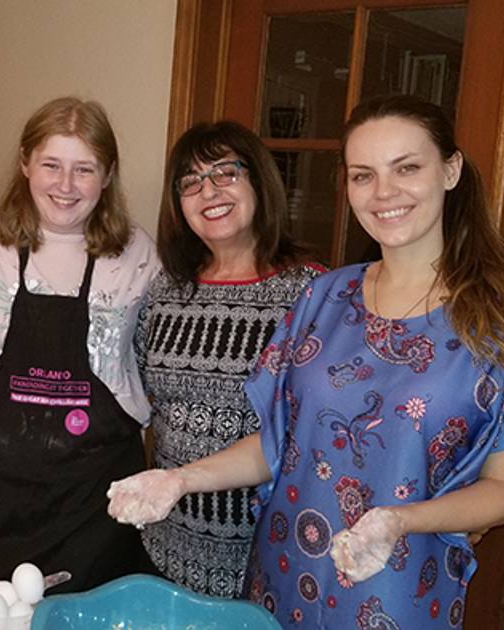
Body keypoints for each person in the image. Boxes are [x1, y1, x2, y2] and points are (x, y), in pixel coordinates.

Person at [107, 95, 504, 628]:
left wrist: (397, 522)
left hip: (401, 583)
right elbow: (279, 444)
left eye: (406, 167)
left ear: (450, 170)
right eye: (363, 175)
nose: (384, 192)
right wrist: (179, 481)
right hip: (281, 572)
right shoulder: (324, 297)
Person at [0, 97, 159, 592]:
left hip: (94, 510)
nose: (66, 185)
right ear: (25, 163)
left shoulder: (139, 254)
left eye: (84, 169)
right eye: (51, 165)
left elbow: (159, 369)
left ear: (107, 175)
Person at [135, 120, 323, 598]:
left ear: (258, 180)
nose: (208, 191)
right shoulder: (165, 291)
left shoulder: (312, 292)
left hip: (271, 550)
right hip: (168, 541)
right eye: (191, 182)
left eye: (225, 173)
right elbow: (140, 399)